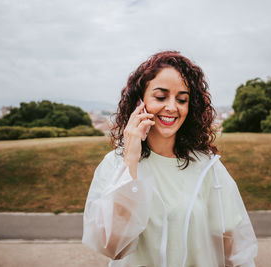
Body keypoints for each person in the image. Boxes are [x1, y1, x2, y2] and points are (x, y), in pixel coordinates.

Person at [82, 51, 258, 267]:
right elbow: (112, 245)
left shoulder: (208, 167)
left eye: (182, 99)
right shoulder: (115, 164)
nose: (172, 107)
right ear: (139, 101)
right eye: (160, 96)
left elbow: (236, 250)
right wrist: (131, 159)